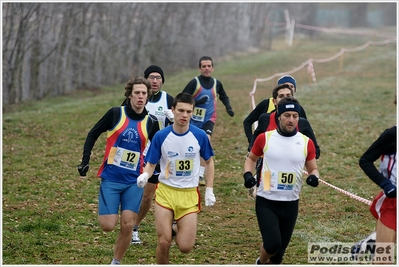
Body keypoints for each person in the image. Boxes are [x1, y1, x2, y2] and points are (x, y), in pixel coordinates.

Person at [77, 76, 160, 265]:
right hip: (112, 178)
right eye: (137, 93)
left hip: (134, 181)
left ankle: (116, 262)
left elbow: (158, 148)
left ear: (148, 97)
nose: (140, 96)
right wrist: (85, 160)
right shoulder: (116, 114)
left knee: (128, 225)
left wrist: (152, 171)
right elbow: (93, 133)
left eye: (144, 93)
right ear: (130, 95)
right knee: (107, 226)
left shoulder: (152, 122)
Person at [136, 92, 216, 264]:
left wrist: (209, 189)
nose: (184, 115)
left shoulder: (199, 135)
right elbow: (150, 164)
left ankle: (175, 226)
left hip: (188, 195)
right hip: (166, 192)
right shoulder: (161, 136)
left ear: (192, 112)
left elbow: (209, 162)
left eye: (188, 111)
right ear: (173, 110)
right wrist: (145, 175)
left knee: (185, 247)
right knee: (164, 242)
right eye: (181, 110)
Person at [243, 97, 320, 264]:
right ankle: (261, 263)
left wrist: (314, 177)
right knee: (272, 244)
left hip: (291, 203)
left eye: (294, 116)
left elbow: (313, 168)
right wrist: (248, 175)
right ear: (278, 116)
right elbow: (251, 159)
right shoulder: (265, 138)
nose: (291, 119)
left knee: (278, 257)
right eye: (286, 115)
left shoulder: (306, 143)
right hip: (267, 201)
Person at [129, 65, 174, 245]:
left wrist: (174, 118)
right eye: (151, 77)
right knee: (140, 193)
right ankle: (130, 225)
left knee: (157, 194)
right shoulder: (138, 98)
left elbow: (185, 121)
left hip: (163, 154)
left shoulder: (168, 99)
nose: (154, 81)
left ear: (162, 81)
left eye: (158, 78)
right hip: (140, 152)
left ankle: (135, 227)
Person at [182, 56, 234, 186]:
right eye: (203, 66)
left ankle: (200, 175)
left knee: (206, 140)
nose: (206, 68)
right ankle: (186, 170)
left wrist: (228, 107)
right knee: (189, 146)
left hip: (208, 119)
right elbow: (182, 98)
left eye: (208, 66)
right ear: (200, 68)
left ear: (212, 68)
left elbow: (224, 96)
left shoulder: (217, 84)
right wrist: (197, 102)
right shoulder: (194, 83)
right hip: (192, 120)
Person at [358, 102, 396, 264]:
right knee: (383, 260)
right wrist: (386, 184)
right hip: (394, 203)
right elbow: (365, 160)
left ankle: (373, 240)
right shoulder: (392, 135)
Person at [243, 74, 307, 145]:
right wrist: (252, 142)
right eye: (285, 85)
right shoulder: (266, 104)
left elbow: (305, 131)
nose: (288, 88)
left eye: (291, 86)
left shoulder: (299, 109)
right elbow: (247, 122)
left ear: (294, 90)